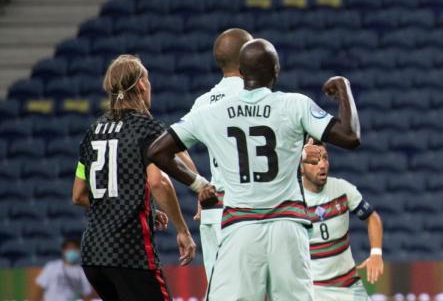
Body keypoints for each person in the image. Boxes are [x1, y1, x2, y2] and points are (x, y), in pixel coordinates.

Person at [147, 38, 362, 301]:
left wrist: (198, 184)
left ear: (241, 72)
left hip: (240, 228)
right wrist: (343, 87)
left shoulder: (211, 111)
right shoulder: (295, 104)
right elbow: (350, 137)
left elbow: (157, 151)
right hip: (288, 227)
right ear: (275, 71)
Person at [71, 55, 196, 301]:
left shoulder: (92, 132)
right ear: (140, 84)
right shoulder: (146, 128)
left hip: (94, 256)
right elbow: (159, 182)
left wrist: (135, 207)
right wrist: (183, 231)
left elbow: (78, 195)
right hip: (129, 253)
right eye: (148, 80)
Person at [189, 27, 253, 281]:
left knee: (218, 290)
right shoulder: (256, 96)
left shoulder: (203, 102)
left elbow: (171, 147)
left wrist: (198, 183)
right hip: (249, 210)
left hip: (214, 211)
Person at [302, 139, 384, 300]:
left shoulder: (342, 189)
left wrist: (376, 253)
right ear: (301, 168)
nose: (322, 165)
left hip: (349, 286)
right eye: (314, 160)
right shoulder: (293, 200)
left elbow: (372, 217)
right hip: (314, 289)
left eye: (325, 158)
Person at [31, 236, 92, 301]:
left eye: (75, 248)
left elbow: (86, 294)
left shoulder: (82, 272)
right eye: (69, 248)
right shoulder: (51, 267)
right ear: (63, 250)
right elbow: (39, 289)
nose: (72, 251)